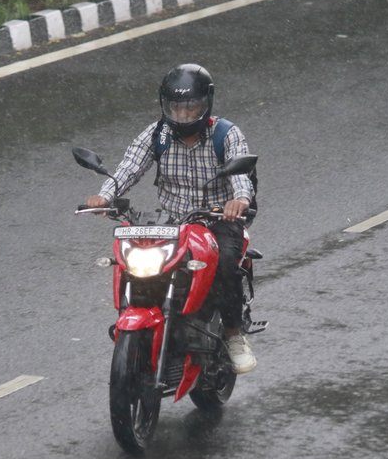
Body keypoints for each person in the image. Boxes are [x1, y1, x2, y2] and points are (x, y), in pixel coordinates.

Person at [84, 63, 258, 374]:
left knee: (227, 264)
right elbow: (128, 169)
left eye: (192, 108)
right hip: (172, 222)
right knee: (133, 261)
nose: (184, 115)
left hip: (217, 219)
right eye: (176, 108)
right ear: (166, 107)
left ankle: (233, 335)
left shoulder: (226, 134)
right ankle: (139, 317)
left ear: (206, 104)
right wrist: (105, 196)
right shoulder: (157, 135)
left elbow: (241, 175)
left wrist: (239, 200)